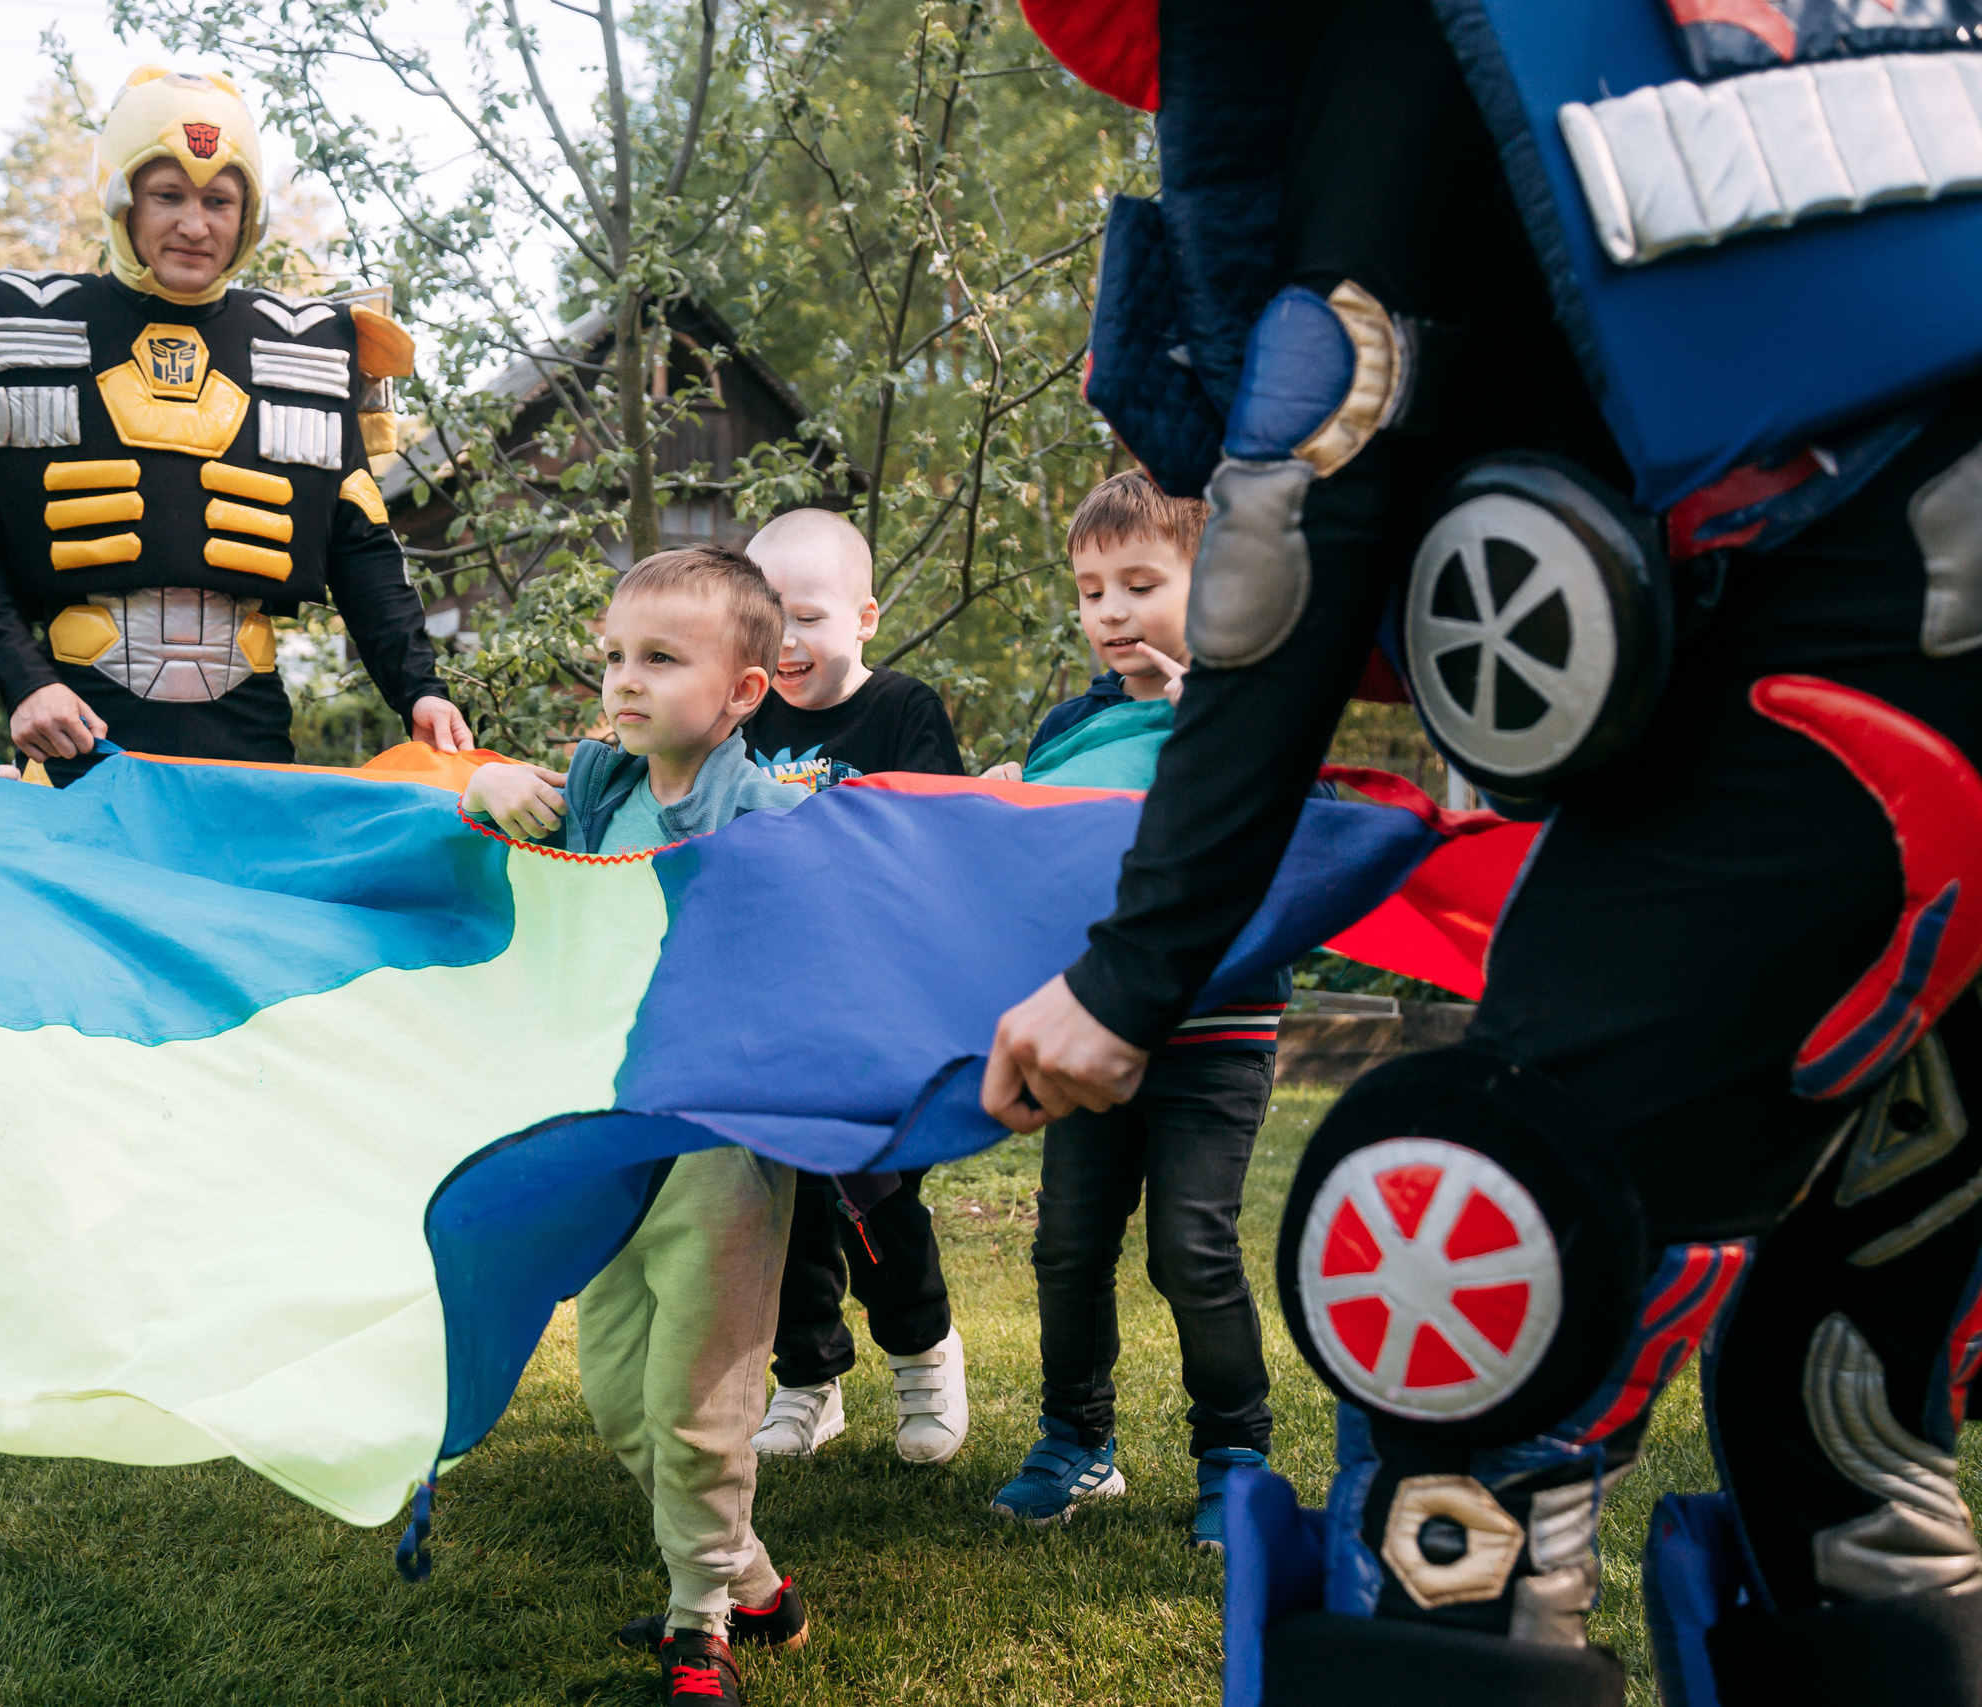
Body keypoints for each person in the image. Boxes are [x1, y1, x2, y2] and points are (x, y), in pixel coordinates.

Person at [993, 0, 1982, 1698]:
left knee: (1473, 1295)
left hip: (1876, 673)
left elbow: (1316, 464)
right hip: (1881, 643)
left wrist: (1138, 967)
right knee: (1856, 1387)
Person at [0, 65, 468, 784]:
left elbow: (363, 548)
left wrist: (420, 690)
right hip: (77, 739)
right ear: (122, 198)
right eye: (168, 195)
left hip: (250, 741)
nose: (195, 224)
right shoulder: (24, 329)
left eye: (219, 199)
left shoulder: (306, 352)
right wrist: (24, 679)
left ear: (250, 213)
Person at [463, 547, 809, 1706]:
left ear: (742, 694)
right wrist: (487, 782)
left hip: (716, 1146)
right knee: (618, 1403)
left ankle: (696, 1623)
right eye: (614, 655)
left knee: (702, 1412)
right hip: (605, 1145)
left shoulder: (758, 808)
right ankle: (752, 1582)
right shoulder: (602, 787)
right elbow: (487, 810)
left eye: (661, 660)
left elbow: (842, 870)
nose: (625, 680)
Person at [978, 474, 1287, 1548]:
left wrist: (1196, 709)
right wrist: (1003, 801)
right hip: (1094, 1033)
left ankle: (1234, 1456)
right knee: (1066, 1245)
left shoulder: (1254, 710)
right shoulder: (1074, 727)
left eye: (1140, 585)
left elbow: (1315, 834)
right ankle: (1076, 1441)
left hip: (1217, 1032)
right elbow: (1044, 864)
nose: (1110, 612)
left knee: (1189, 1249)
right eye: (1089, 590)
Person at [734, 507, 970, 1469]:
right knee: (777, 1203)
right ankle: (806, 1378)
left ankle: (923, 1350)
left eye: (810, 617)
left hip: (876, 1008)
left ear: (865, 617)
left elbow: (939, 839)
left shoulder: (904, 710)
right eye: (768, 618)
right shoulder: (738, 715)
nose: (787, 642)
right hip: (765, 1006)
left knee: (873, 1192)